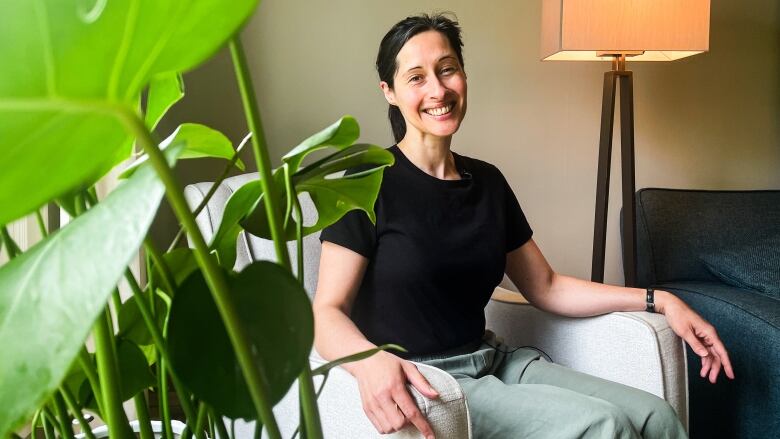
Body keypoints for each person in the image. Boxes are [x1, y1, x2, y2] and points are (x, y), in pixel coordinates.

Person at [313, 13, 734, 439]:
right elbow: (327, 312)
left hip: (495, 361)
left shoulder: (488, 181)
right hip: (432, 382)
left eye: (447, 70)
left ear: (463, 74)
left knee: (655, 416)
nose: (438, 90)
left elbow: (546, 286)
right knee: (604, 426)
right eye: (417, 78)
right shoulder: (367, 184)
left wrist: (659, 300)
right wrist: (369, 362)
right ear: (389, 92)